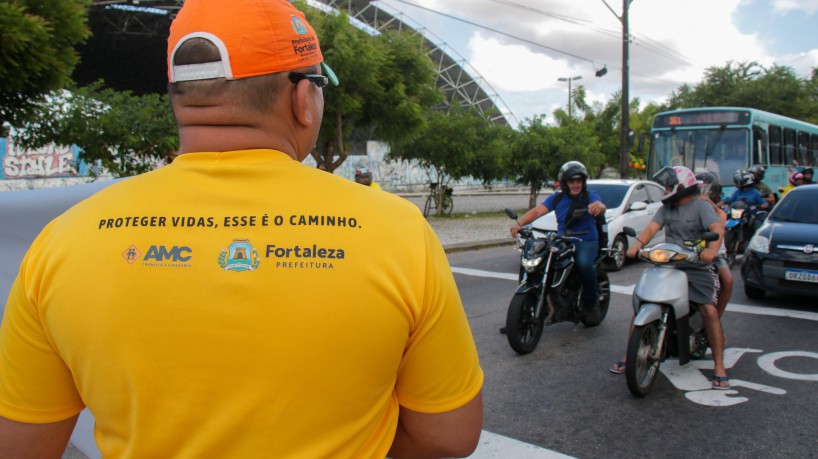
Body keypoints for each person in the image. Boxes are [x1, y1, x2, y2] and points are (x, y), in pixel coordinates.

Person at [0, 1, 484, 457]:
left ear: (180, 99)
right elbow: (450, 435)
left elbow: (19, 445)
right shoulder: (397, 231)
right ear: (302, 99)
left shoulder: (63, 240)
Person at [609, 166, 729, 390]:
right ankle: (630, 355)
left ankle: (719, 366)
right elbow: (651, 229)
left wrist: (711, 250)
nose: (664, 190)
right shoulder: (666, 208)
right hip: (668, 263)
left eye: (667, 186)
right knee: (642, 304)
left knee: (709, 310)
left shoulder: (701, 206)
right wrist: (637, 246)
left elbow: (716, 227)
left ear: (681, 186)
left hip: (696, 265)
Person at [509, 161, 607, 315]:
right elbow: (537, 212)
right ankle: (522, 312)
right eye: (571, 181)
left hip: (585, 241)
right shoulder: (557, 198)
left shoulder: (589, 196)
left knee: (583, 264)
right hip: (563, 240)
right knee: (536, 263)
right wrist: (519, 224)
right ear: (565, 183)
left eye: (578, 181)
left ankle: (591, 302)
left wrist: (599, 207)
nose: (576, 185)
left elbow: (600, 206)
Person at [696, 170, 733, 320]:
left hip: (716, 253)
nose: (703, 193)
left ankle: (716, 319)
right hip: (693, 250)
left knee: (728, 280)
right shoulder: (690, 206)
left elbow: (720, 220)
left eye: (706, 190)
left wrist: (707, 201)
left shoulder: (719, 211)